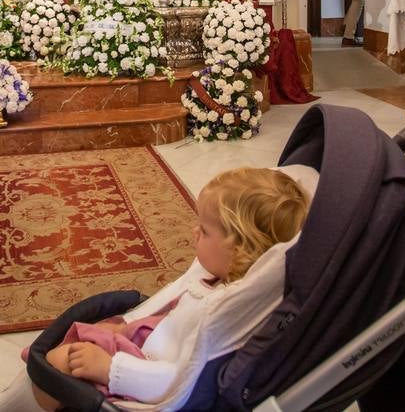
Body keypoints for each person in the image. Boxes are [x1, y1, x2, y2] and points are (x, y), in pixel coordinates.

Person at [3, 166, 313, 412]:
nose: (194, 232)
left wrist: (111, 369)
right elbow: (174, 314)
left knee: (59, 363)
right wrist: (132, 326)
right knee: (83, 338)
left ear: (240, 251)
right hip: (147, 346)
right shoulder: (220, 278)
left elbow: (178, 379)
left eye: (204, 231)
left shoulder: (222, 313)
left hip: (144, 374)